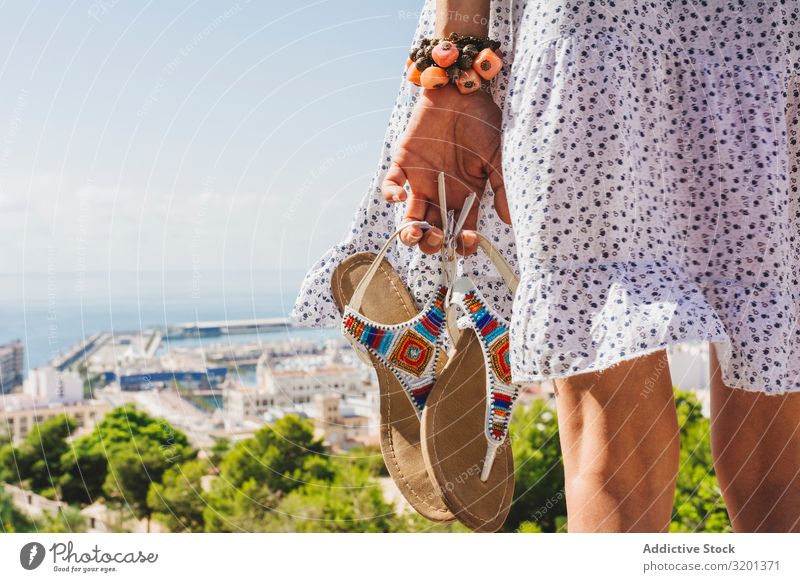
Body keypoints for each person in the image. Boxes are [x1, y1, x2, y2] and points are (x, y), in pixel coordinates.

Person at [295, 0, 800, 532]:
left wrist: (453, 73)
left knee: (613, 411)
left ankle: (451, 324)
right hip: (760, 39)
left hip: (601, 41)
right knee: (777, 382)